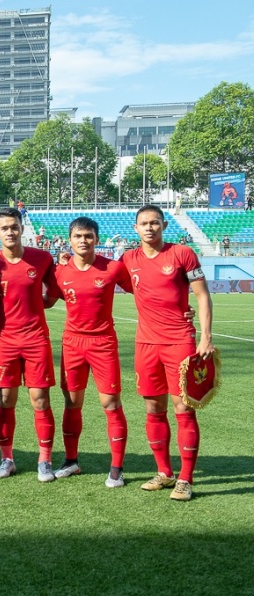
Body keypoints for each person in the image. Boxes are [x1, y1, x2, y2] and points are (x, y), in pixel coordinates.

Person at [122, 204, 213, 501]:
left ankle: (186, 479)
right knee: (153, 409)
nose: (149, 228)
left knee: (183, 409)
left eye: (155, 223)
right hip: (145, 344)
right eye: (144, 223)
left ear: (164, 226)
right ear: (135, 228)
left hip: (179, 343)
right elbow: (102, 273)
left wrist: (205, 336)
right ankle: (164, 472)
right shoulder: (128, 259)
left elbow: (201, 295)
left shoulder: (182, 254)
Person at [46, 217, 133, 487]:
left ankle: (116, 468)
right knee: (72, 403)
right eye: (78, 236)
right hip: (72, 343)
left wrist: (180, 308)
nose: (83, 241)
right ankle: (71, 461)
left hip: (103, 343)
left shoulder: (113, 268)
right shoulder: (59, 271)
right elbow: (47, 301)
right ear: (69, 240)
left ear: (96, 239)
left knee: (111, 403)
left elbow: (143, 291)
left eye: (89, 236)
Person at [0, 207, 59, 482]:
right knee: (5, 400)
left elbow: (54, 294)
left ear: (22, 229)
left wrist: (37, 307)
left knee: (40, 400)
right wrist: (3, 315)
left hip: (36, 339)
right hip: (5, 341)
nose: (10, 232)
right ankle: (7, 458)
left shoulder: (42, 258)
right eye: (5, 228)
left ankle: (45, 460)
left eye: (14, 226)